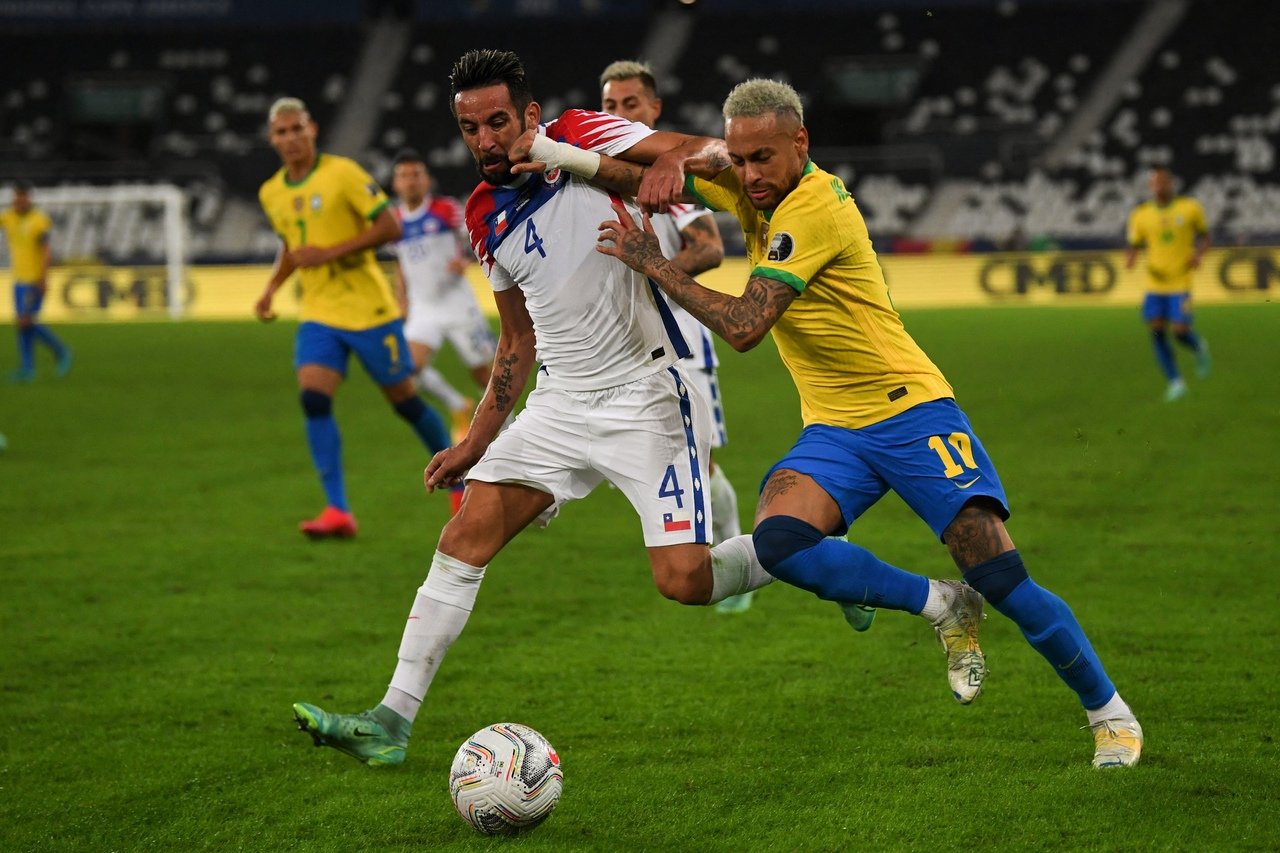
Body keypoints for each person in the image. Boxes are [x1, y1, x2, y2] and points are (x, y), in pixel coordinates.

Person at [290, 50, 977, 767]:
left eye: (499, 122)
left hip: (645, 398)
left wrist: (679, 163)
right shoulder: (482, 211)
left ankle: (815, 555)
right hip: (558, 403)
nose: (487, 140)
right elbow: (516, 341)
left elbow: (706, 151)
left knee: (686, 580)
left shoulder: (585, 134)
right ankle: (391, 721)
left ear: (530, 116)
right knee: (465, 536)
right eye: (470, 129)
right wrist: (474, 443)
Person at [598, 78, 1142, 768]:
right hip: (836, 429)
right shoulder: (747, 184)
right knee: (783, 541)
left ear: (801, 143)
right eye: (739, 160)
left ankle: (1110, 713)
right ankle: (943, 604)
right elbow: (628, 170)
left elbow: (743, 327)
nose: (750, 175)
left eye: (764, 157)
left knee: (1002, 574)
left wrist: (656, 264)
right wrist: (553, 158)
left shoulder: (815, 208)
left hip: (910, 409)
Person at [255, 97, 460, 537]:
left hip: (369, 310)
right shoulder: (271, 192)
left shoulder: (342, 173)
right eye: (281, 132)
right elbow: (293, 247)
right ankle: (337, 510)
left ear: (312, 129)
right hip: (318, 312)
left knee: (405, 402)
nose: (290, 138)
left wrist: (328, 252)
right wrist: (271, 289)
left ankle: (457, 480)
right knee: (313, 398)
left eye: (297, 129)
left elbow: (390, 226)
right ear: (272, 139)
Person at [599, 60, 758, 617]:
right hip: (631, 349)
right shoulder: (601, 175)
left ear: (655, 110)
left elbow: (711, 246)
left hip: (685, 341)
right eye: (611, 106)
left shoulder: (672, 174)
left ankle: (736, 551)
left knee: (703, 463)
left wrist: (651, 269)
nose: (620, 114)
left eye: (631, 105)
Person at [389, 149, 496, 441]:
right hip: (424, 309)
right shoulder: (393, 220)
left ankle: (507, 427)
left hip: (458, 306)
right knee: (408, 371)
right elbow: (401, 263)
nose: (410, 181)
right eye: (403, 176)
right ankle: (457, 404)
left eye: (416, 175)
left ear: (427, 180)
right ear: (395, 183)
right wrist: (402, 302)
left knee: (483, 374)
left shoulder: (445, 209)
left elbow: (478, 237)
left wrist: (464, 258)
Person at [1125, 166, 1211, 402]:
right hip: (1155, 284)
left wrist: (1198, 255)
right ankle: (1176, 382)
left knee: (1180, 331)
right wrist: (1131, 256)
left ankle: (1199, 348)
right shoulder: (1141, 215)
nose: (1159, 186)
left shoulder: (1190, 208)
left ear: (1171, 184)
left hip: (1180, 283)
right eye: (1155, 183)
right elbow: (1134, 242)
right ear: (1150, 187)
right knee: (1156, 331)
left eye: (1163, 182)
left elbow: (1205, 237)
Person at [2, 181, 71, 382]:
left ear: (28, 198)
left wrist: (43, 278)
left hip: (34, 279)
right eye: (16, 198)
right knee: (23, 324)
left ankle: (61, 351)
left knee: (26, 320)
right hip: (18, 279)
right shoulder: (8, 217)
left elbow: (46, 251)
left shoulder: (39, 220)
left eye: (22, 197)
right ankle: (27, 369)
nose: (19, 201)